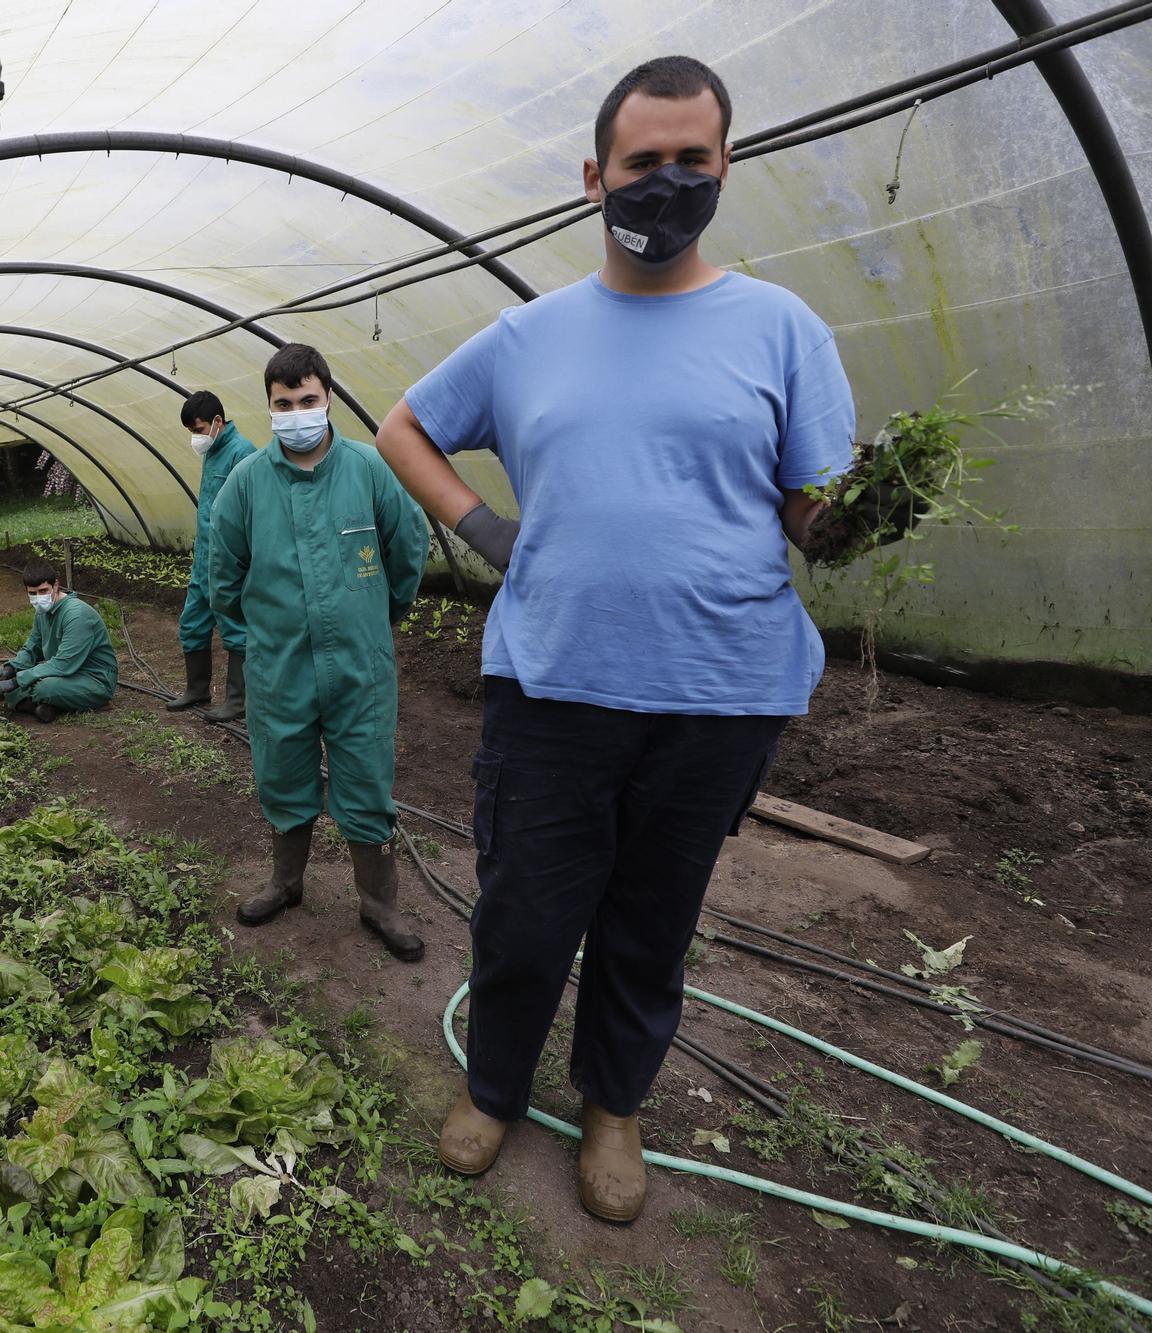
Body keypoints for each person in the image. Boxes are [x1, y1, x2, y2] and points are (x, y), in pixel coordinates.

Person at [375, 56, 853, 1222]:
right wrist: (483, 525)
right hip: (556, 679)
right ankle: (494, 1087)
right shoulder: (527, 336)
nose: (667, 184)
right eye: (644, 163)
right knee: (527, 908)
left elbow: (809, 505)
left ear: (724, 165)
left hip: (719, 689)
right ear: (595, 175)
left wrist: (847, 521)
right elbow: (402, 427)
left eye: (693, 161)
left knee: (650, 915)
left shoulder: (779, 328)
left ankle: (612, 1107)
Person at [209, 344, 429, 961]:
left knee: (365, 779)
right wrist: (254, 640)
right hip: (281, 668)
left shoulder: (368, 468)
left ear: (328, 397)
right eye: (284, 404)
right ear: (269, 408)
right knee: (283, 773)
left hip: (360, 665)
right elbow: (222, 569)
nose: (297, 413)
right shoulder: (248, 482)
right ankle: (286, 883)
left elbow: (407, 548)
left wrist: (380, 620)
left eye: (308, 400)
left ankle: (379, 905)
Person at [169, 390, 256, 721]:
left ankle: (238, 700)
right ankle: (197, 689)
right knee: (192, 622)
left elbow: (248, 513)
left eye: (198, 429)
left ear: (218, 422)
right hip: (204, 556)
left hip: (228, 560)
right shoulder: (214, 451)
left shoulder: (242, 452)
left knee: (234, 627)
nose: (195, 437)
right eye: (191, 431)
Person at [0, 563, 118, 722]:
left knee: (43, 688)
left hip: (93, 679)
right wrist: (11, 668)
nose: (39, 598)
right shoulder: (42, 612)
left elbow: (63, 664)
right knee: (6, 677)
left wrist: (17, 680)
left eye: (43, 591)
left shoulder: (76, 614)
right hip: (67, 674)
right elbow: (32, 647)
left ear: (56, 585)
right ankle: (41, 707)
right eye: (32, 593)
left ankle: (95, 701)